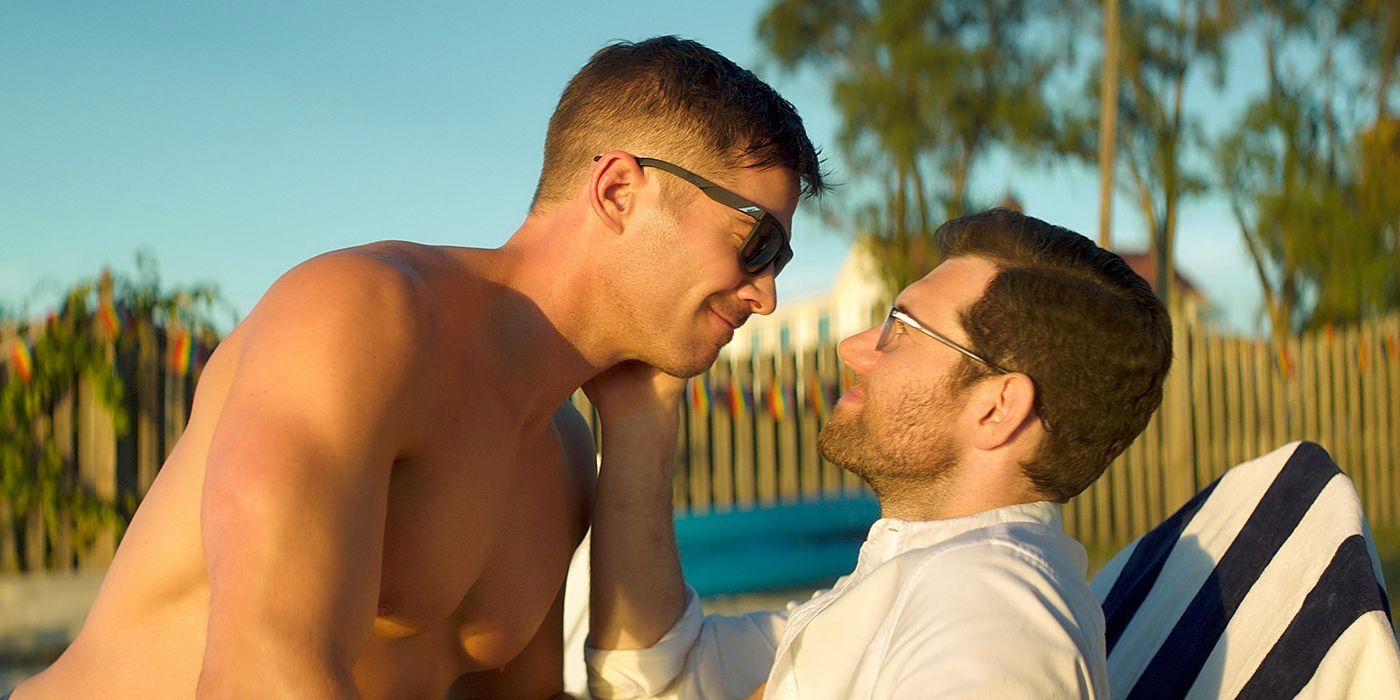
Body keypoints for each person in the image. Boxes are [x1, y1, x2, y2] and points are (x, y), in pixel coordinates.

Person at [13, 36, 825, 699]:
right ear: (616, 191)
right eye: (757, 243)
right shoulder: (362, 320)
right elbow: (262, 676)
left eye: (782, 261)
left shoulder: (564, 457)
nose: (767, 296)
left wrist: (643, 420)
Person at [583, 208, 1174, 699]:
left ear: (996, 409)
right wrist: (643, 412)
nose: (853, 347)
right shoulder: (919, 578)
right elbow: (667, 678)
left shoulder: (993, 616)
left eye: (901, 328)